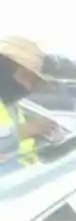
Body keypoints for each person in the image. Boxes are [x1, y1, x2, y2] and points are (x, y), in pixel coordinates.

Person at [0, 35, 48, 168]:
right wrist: (23, 131)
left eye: (33, 82)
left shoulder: (10, 104)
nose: (28, 87)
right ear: (4, 66)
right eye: (25, 76)